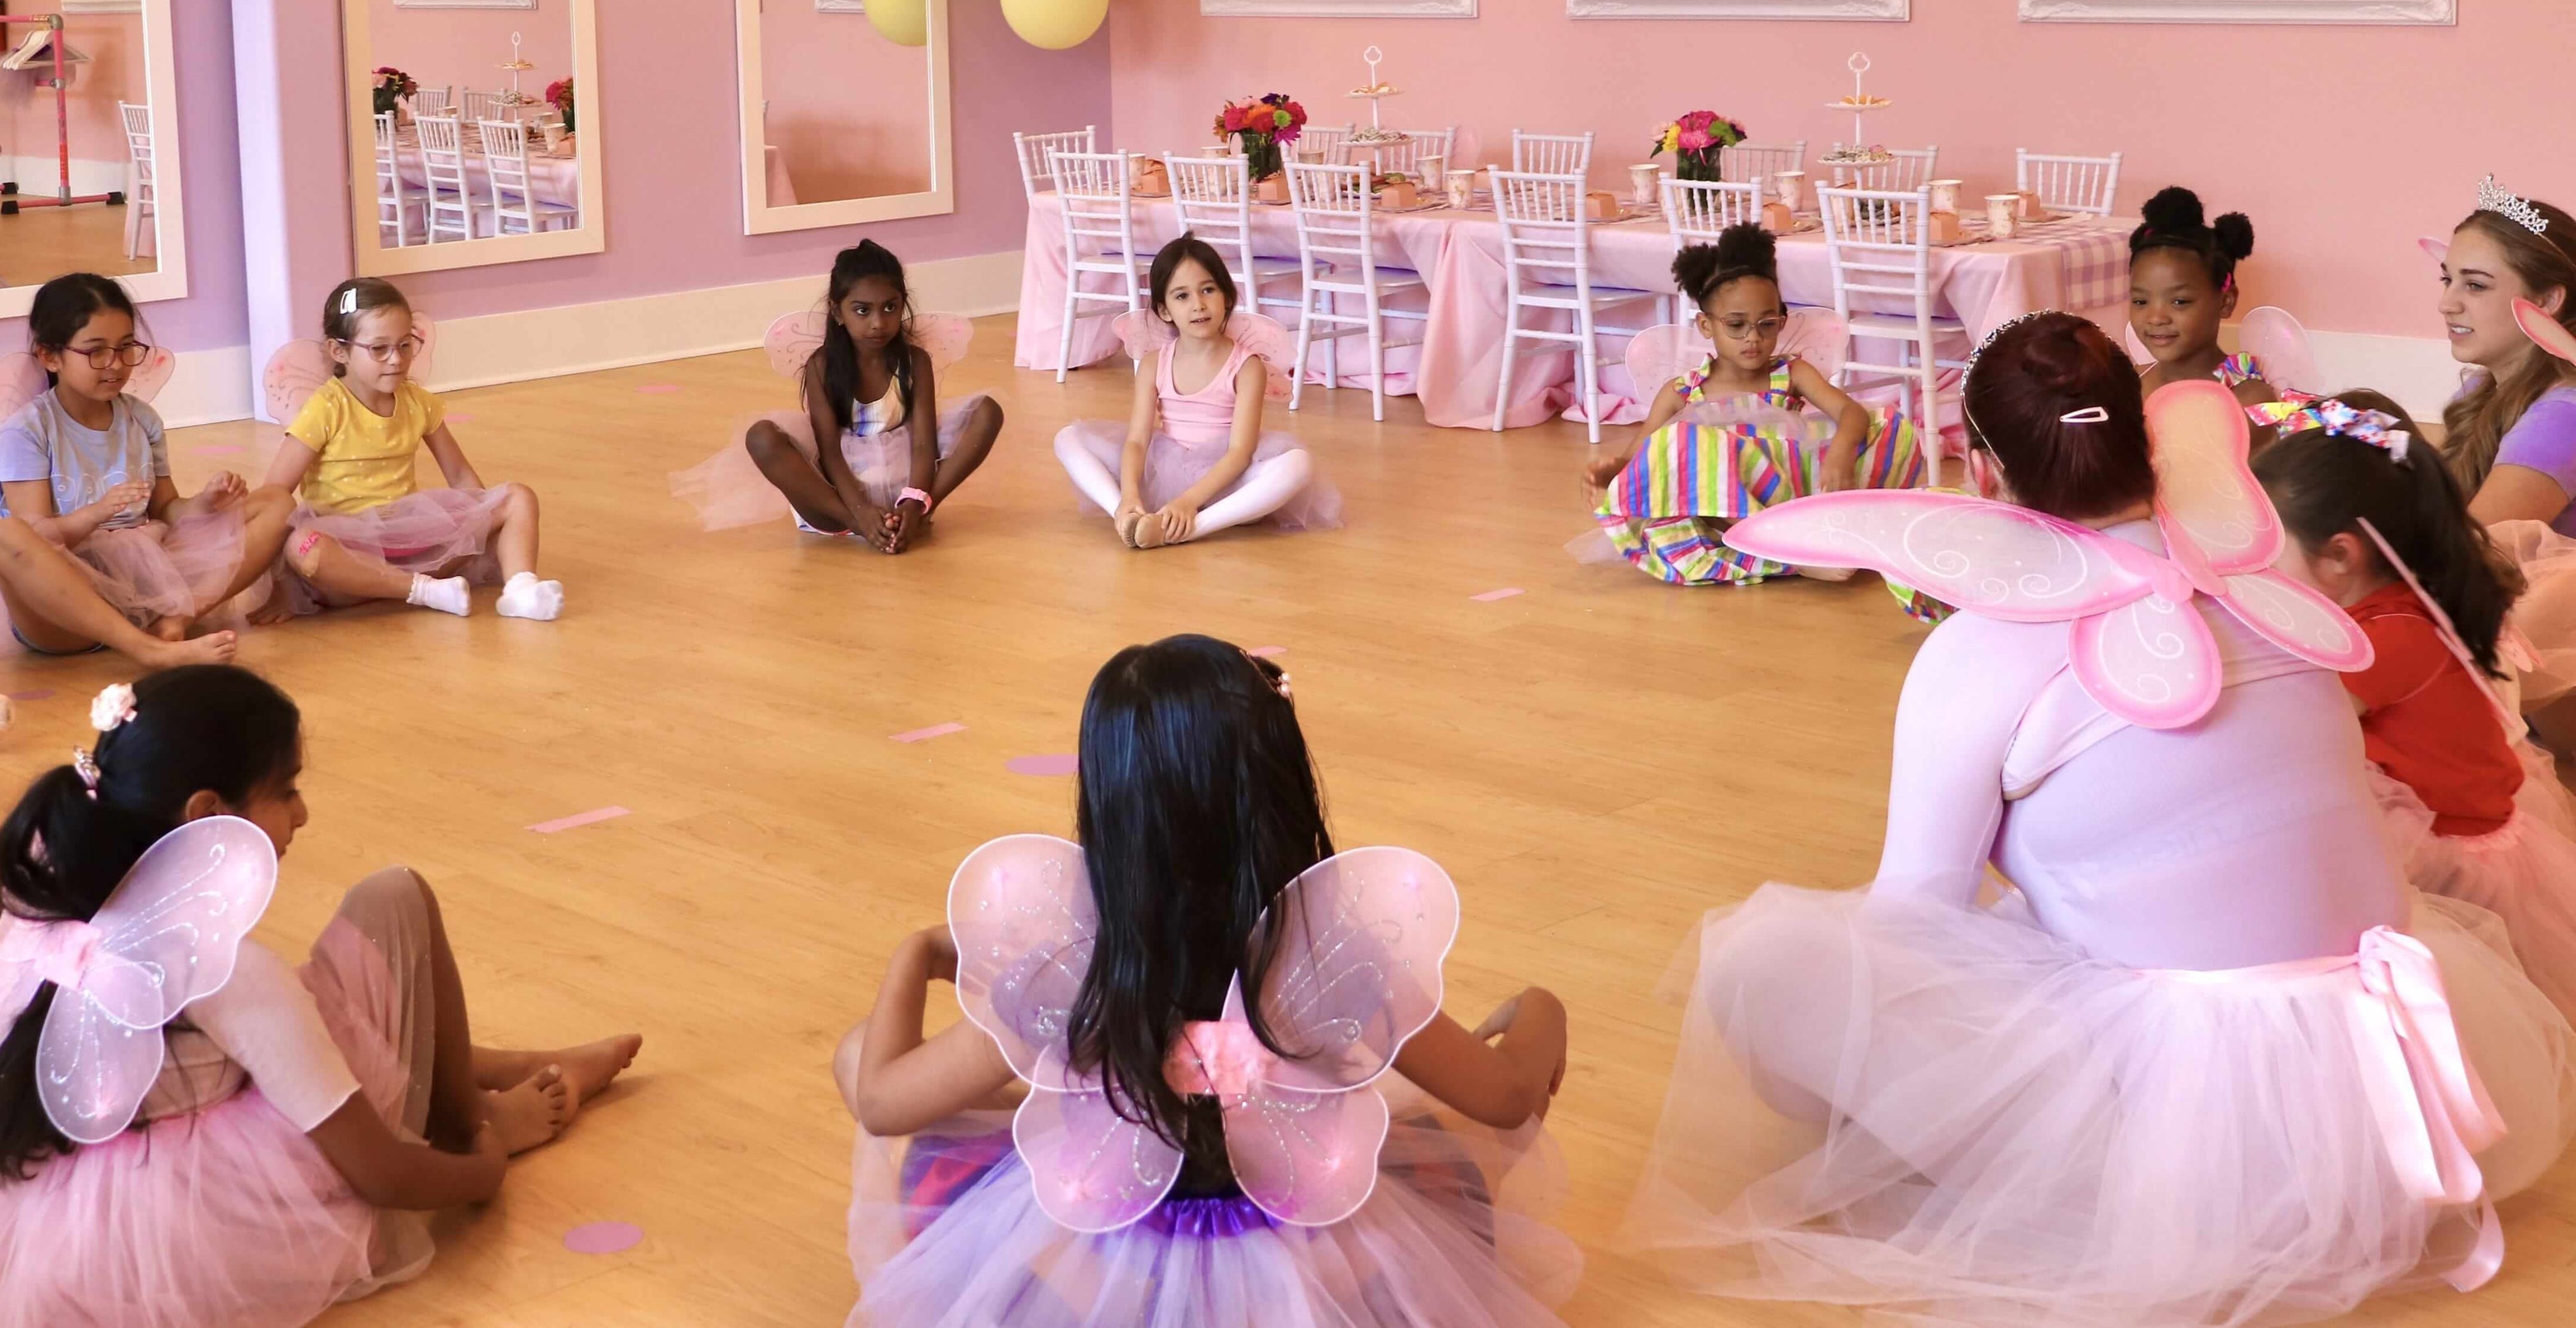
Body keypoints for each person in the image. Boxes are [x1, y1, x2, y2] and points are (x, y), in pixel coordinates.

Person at [1623, 317, 2576, 1325]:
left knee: (1768, 960)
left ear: (1984, 471)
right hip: (2384, 1071)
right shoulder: (2274, 593)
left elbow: (1915, 913)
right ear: (2149, 438)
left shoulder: (1980, 648)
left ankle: (2050, 1164)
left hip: (2193, 1130)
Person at [0, 664, 640, 1328]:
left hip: (68, 1221)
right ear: (209, 814)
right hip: (216, 1221)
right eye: (286, 790)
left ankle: (504, 1064)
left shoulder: (54, 902)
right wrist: (486, 1164)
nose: (303, 813)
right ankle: (474, 1112)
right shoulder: (221, 972)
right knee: (397, 896)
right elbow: (385, 1175)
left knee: (297, 1013)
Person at [837, 634, 1580, 1326]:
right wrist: (1541, 1010)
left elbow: (880, 1101)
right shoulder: (1334, 958)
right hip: (1315, 1261)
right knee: (1446, 1138)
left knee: (867, 1052)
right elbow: (1508, 1098)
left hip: (1101, 1272)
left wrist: (917, 952)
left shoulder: (1077, 971)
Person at [2258, 394, 2576, 1021]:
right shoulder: (2398, 602)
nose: (2256, 563)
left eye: (2269, 545)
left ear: (2341, 555)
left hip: (2447, 850)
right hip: (2448, 813)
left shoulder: (2386, 637)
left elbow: (2288, 727)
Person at [1583, 224, 1918, 585]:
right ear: (1706, 326)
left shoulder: (1791, 372)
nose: (1753, 338)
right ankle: (1781, 554)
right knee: (1677, 443)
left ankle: (1834, 530)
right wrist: (1610, 471)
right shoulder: (1683, 391)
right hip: (1720, 515)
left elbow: (1849, 412)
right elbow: (1641, 456)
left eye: (1766, 325)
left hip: (1785, 493)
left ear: (1781, 322)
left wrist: (1841, 451)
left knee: (1890, 423)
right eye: (1736, 325)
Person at [0, 274, 284, 666]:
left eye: (126, 347)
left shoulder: (142, 419)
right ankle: (147, 650)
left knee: (276, 503)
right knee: (6, 536)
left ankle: (174, 621)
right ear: (50, 356)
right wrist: (97, 513)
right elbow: (38, 535)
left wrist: (206, 504)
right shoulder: (27, 431)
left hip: (149, 585)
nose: (116, 364)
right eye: (96, 351)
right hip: (67, 609)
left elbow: (166, 510)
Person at [258, 279, 562, 620]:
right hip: (347, 553)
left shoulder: (418, 403)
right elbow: (274, 495)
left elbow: (460, 476)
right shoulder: (324, 409)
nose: (396, 359)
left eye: (405, 345)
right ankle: (423, 590)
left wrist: (476, 525)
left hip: (409, 540)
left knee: (518, 497)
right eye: (379, 349)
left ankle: (521, 590)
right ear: (339, 351)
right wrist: (279, 584)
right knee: (303, 546)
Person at [673, 239, 1003, 553]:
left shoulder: (915, 361)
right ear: (837, 312)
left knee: (988, 412)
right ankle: (859, 525)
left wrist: (915, 500)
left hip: (910, 482)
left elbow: (922, 443)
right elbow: (830, 452)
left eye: (890, 307)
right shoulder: (822, 366)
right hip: (842, 493)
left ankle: (914, 514)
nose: (878, 323)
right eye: (862, 311)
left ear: (903, 304)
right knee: (761, 438)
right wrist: (858, 511)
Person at [1054, 236, 1338, 547]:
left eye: (1208, 290)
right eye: (1182, 296)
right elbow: (1137, 440)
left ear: (1227, 298)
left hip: (1227, 479)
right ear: (1164, 310)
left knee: (1297, 465)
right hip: (1163, 470)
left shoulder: (1247, 366)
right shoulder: (1153, 364)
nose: (1198, 304)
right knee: (1067, 438)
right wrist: (1131, 493)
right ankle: (1126, 514)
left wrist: (1188, 501)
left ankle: (1186, 528)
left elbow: (1240, 452)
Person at [2439, 176, 2576, 534]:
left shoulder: (2563, 417)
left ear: (2545, 301)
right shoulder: (2479, 390)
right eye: (2447, 280)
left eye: (2475, 285)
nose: (2446, 304)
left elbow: (2466, 554)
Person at [2128, 184, 2281, 408]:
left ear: (2225, 301)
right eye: (2140, 301)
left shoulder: (2247, 399)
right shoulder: (2130, 384)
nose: (2156, 318)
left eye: (2179, 302)